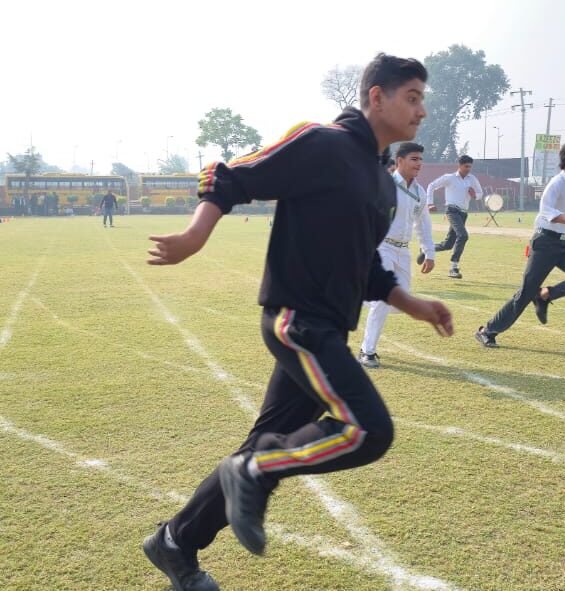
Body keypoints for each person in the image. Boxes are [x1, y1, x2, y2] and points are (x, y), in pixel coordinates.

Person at [143, 53, 453, 591]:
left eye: (422, 99)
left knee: (260, 446)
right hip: (296, 321)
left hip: (328, 330)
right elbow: (229, 175)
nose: (421, 110)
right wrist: (194, 236)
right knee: (367, 431)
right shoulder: (323, 143)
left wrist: (412, 303)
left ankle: (174, 541)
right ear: (376, 96)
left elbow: (365, 266)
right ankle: (256, 471)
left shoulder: (381, 183)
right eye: (412, 97)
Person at [475, 141, 565, 348]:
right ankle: (487, 330)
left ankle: (545, 295)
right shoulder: (556, 183)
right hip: (545, 243)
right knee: (525, 293)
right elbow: (546, 212)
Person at [358, 142, 435, 368]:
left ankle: (360, 297)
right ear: (400, 160)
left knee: (400, 302)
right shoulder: (385, 185)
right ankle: (367, 351)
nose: (419, 164)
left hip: (403, 251)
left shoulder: (420, 192)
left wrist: (429, 252)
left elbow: (423, 224)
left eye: (421, 160)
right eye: (414, 159)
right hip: (381, 248)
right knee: (384, 298)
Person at [423, 155, 483, 278]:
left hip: (463, 213)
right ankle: (454, 268)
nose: (468, 169)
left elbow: (480, 193)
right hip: (452, 210)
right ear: (459, 165)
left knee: (448, 244)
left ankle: (426, 249)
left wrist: (475, 195)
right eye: (466, 166)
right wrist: (430, 203)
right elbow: (431, 185)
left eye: (470, 167)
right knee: (463, 235)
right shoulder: (449, 178)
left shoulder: (472, 179)